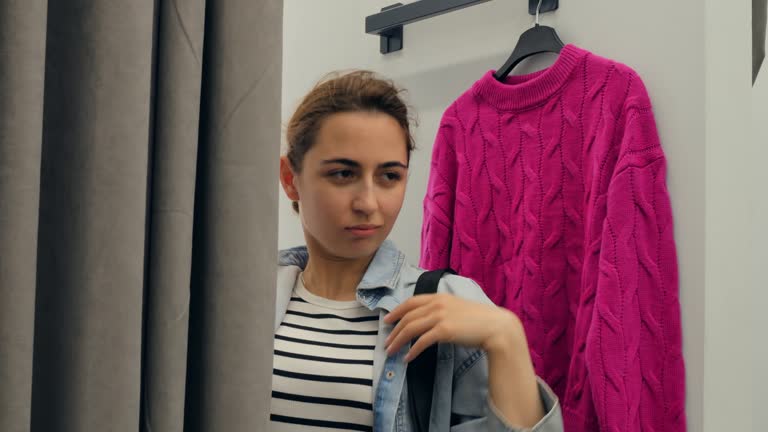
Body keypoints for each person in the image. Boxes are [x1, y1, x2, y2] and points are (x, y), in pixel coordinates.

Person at [272, 70, 563, 432]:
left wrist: (506, 336)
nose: (368, 203)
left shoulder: (448, 305)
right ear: (290, 179)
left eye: (389, 176)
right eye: (343, 174)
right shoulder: (244, 296)